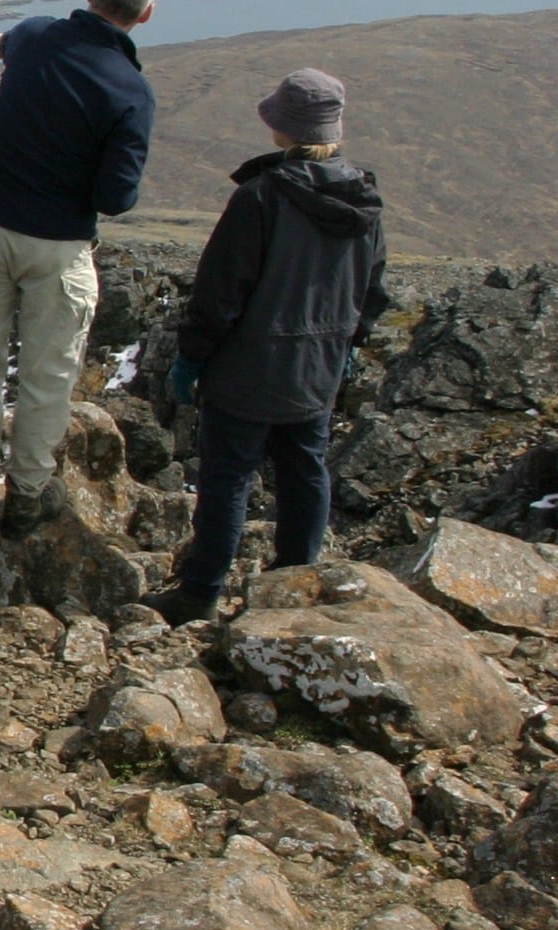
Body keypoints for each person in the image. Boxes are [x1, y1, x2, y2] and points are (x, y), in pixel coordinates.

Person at [0, 0, 161, 541]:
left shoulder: (35, 37)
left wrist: (4, 41)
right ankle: (28, 497)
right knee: (48, 372)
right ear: (146, 15)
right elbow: (116, 197)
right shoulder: (130, 93)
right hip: (57, 245)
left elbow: (17, 37)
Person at [145, 71, 387, 626]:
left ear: (283, 127)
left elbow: (220, 292)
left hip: (249, 371)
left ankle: (200, 592)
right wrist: (350, 345)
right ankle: (295, 581)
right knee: (305, 472)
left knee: (227, 479)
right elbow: (373, 289)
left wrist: (192, 357)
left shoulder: (262, 197)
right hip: (318, 373)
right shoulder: (364, 200)